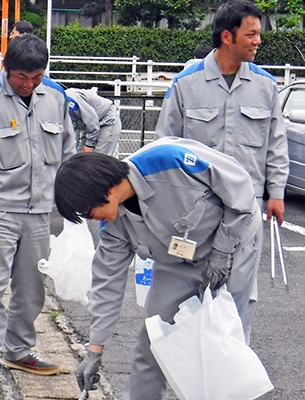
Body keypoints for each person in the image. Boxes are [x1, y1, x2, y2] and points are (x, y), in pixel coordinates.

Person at [54, 137, 262, 400]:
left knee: (225, 338)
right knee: (155, 340)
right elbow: (107, 284)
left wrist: (223, 249)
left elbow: (241, 189)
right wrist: (95, 351)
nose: (89, 218)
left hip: (233, 245)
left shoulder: (168, 160)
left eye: (86, 211)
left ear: (102, 190)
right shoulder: (114, 225)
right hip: (176, 262)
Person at [155, 0, 288, 339]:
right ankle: (187, 368)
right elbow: (165, 146)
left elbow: (275, 144)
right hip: (197, 213)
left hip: (246, 211)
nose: (259, 40)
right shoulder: (186, 84)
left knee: (239, 297)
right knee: (183, 298)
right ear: (227, 36)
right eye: (252, 34)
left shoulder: (265, 85)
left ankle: (231, 376)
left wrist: (276, 194)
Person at [0, 34, 76, 394]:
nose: (28, 84)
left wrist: (70, 199)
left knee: (32, 288)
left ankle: (18, 349)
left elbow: (67, 152)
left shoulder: (56, 98)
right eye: (21, 76)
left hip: (39, 210)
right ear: (6, 68)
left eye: (36, 77)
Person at [65, 87, 121, 155]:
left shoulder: (70, 100)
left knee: (99, 159)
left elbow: (92, 120)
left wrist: (89, 145)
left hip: (107, 120)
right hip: (90, 128)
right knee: (79, 158)